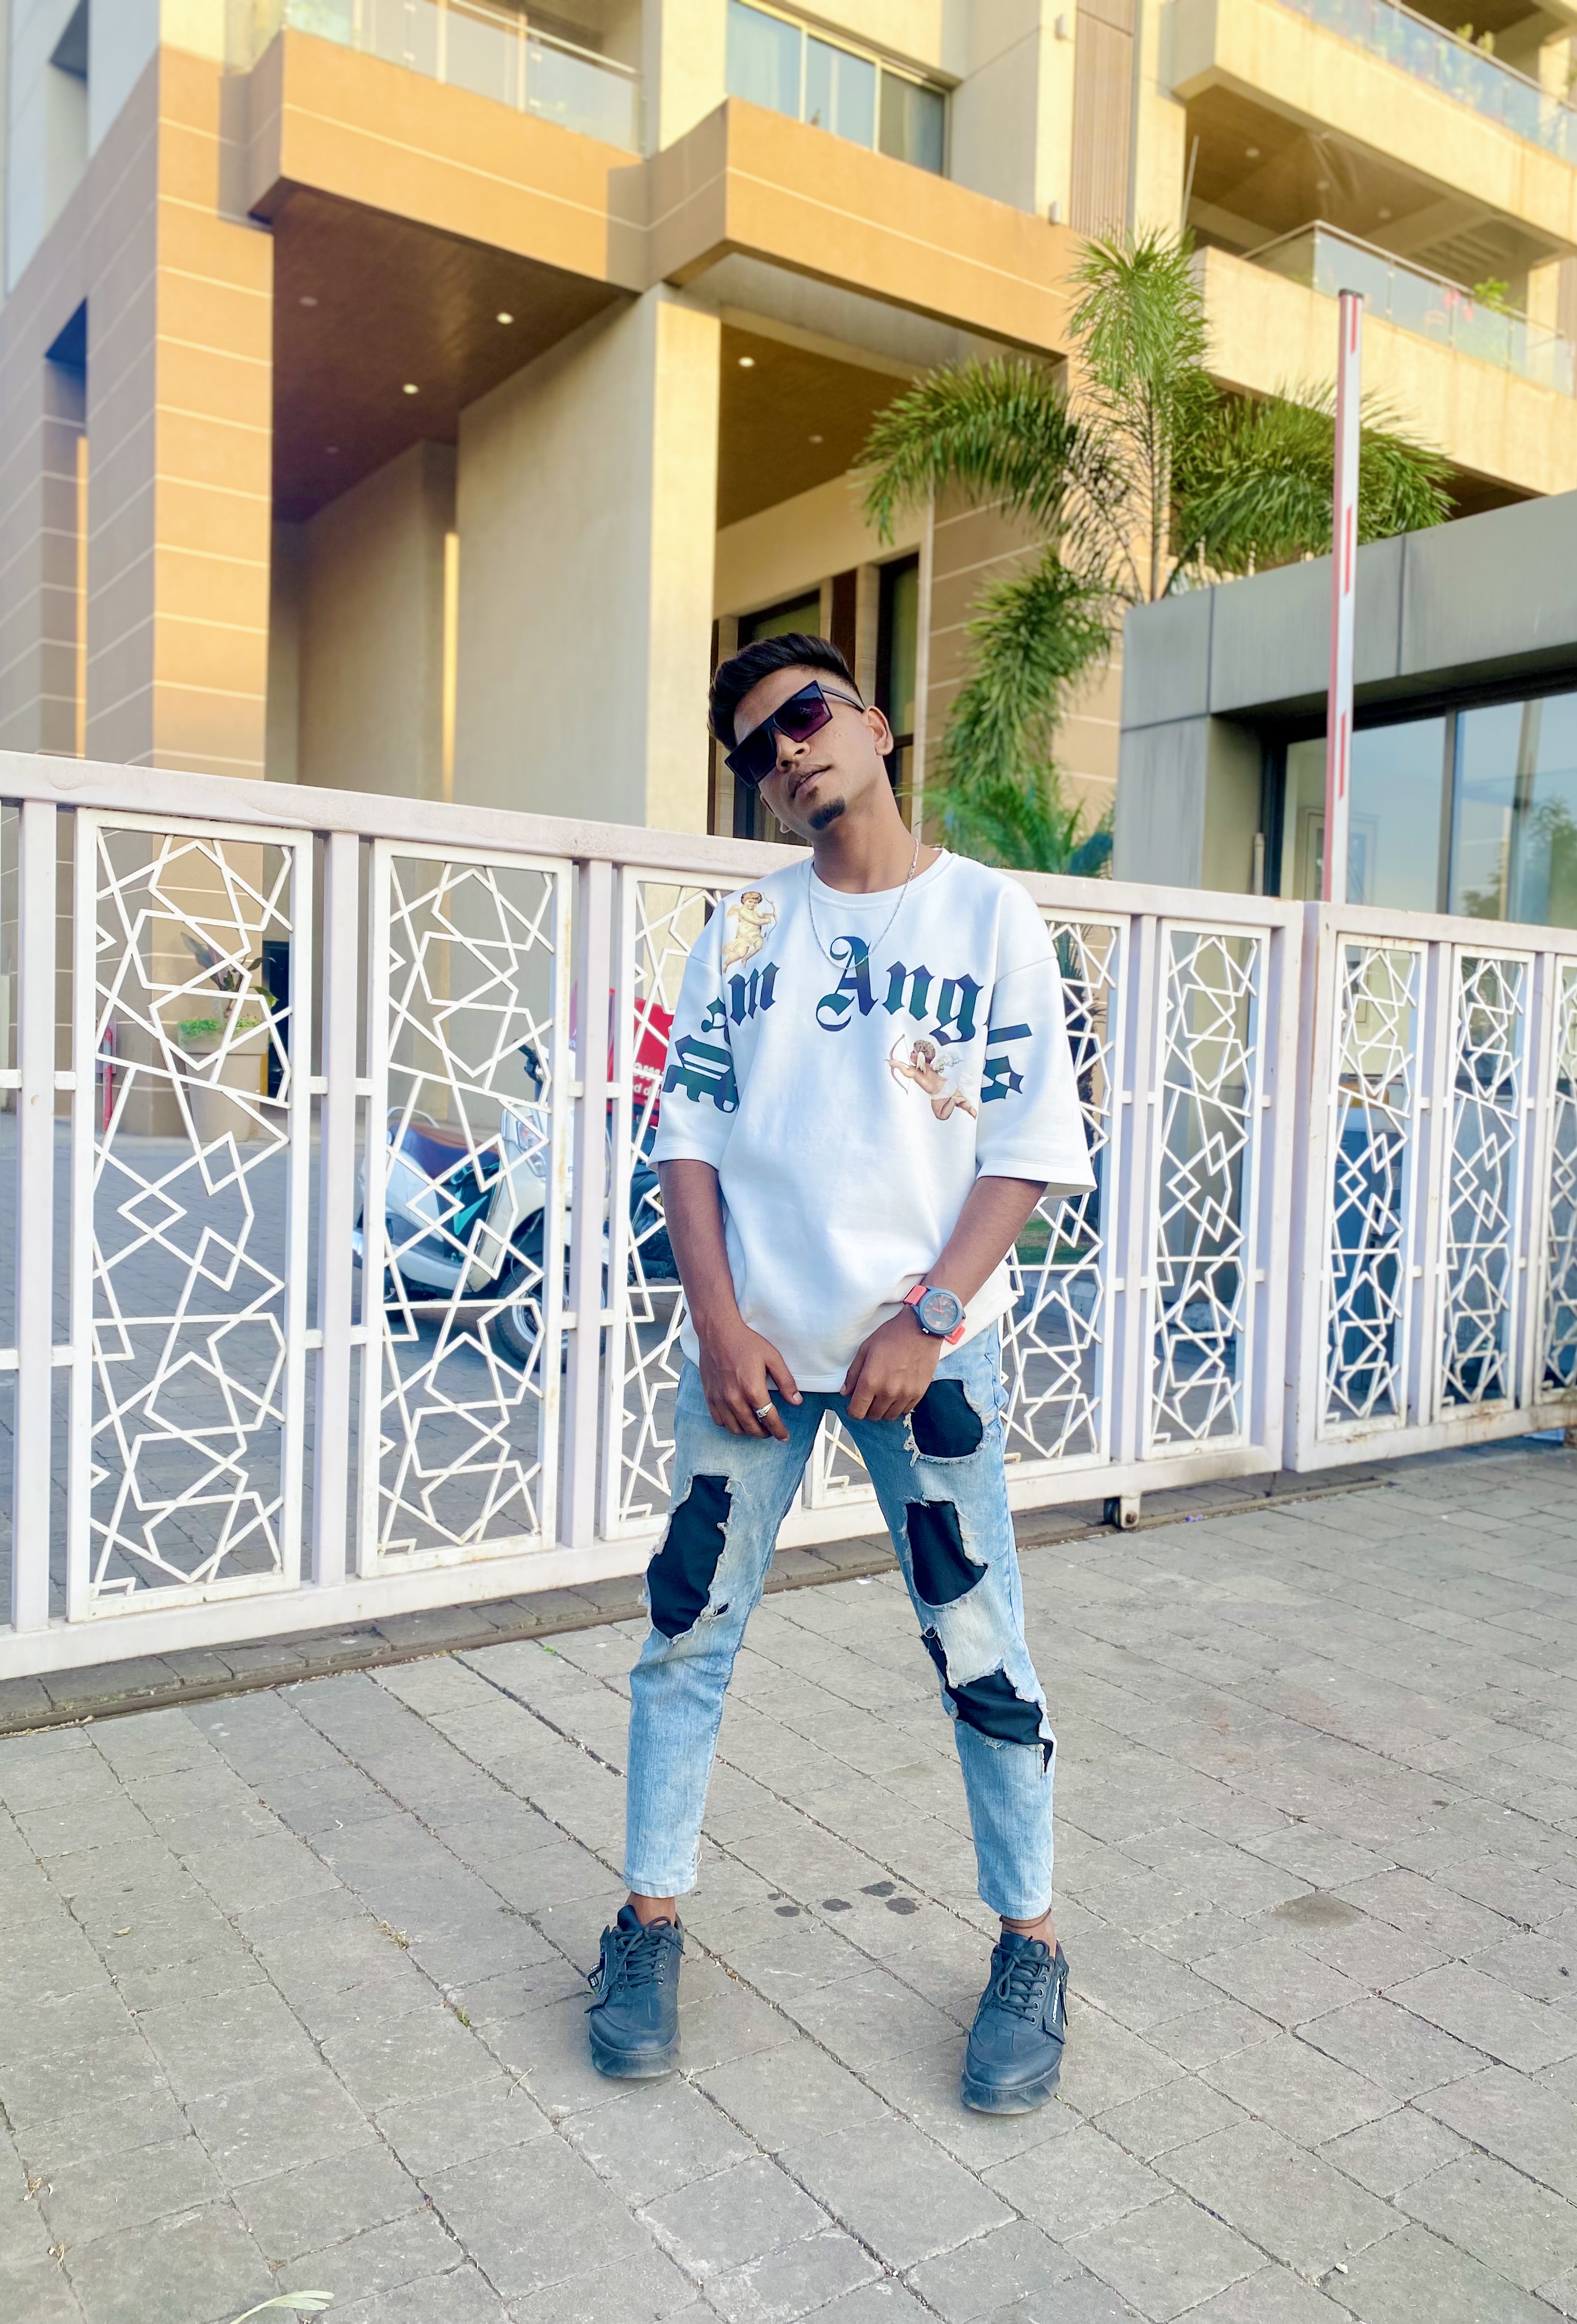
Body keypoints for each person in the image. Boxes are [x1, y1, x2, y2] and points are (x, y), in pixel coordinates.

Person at [584, 632, 1094, 2114]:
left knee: (981, 1649)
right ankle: (648, 1922)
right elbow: (686, 1136)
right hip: (751, 1360)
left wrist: (929, 1315)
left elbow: (1026, 1145)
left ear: (873, 722)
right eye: (757, 750)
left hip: (921, 1363)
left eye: (804, 716)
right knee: (684, 1634)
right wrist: (717, 1323)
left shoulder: (989, 916)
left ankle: (1031, 1943)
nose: (788, 752)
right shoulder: (746, 926)